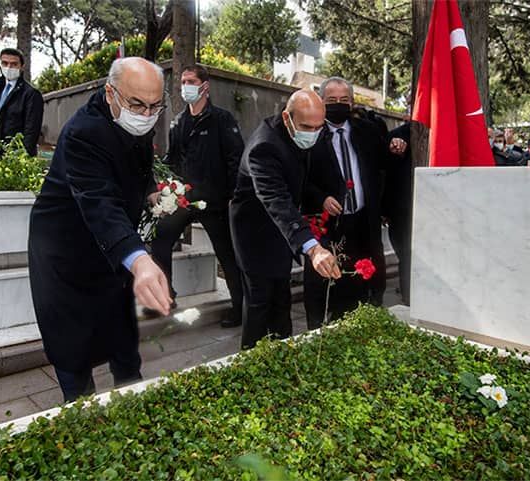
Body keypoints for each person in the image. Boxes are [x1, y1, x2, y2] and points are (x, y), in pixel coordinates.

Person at [28, 57, 171, 403]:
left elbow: (137, 162)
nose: (146, 113)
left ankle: (131, 396)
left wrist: (150, 188)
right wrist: (139, 260)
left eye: (155, 106)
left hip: (112, 249)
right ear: (110, 93)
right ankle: (81, 411)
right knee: (73, 345)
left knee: (122, 335)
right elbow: (98, 201)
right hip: (68, 248)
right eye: (137, 104)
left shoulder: (137, 116)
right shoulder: (83, 132)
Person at [230, 89, 341, 349]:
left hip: (284, 230)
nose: (313, 133)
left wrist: (322, 197)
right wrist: (313, 248)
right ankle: (250, 361)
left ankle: (283, 351)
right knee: (260, 299)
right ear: (287, 118)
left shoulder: (308, 132)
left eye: (318, 126)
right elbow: (275, 198)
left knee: (281, 295)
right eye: (306, 126)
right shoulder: (264, 147)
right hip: (255, 231)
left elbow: (302, 178)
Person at [148, 64, 244, 328]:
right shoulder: (179, 122)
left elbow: (236, 159)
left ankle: (240, 308)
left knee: (227, 254)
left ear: (205, 86)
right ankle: (166, 296)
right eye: (183, 82)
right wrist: (162, 185)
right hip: (185, 200)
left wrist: (233, 196)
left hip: (216, 202)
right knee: (160, 240)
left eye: (191, 81)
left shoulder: (222, 120)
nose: (186, 86)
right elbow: (172, 160)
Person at [302, 77, 387, 329]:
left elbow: (381, 169)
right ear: (321, 103)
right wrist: (320, 198)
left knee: (356, 281)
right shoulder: (310, 133)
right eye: (331, 101)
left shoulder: (367, 132)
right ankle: (316, 331)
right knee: (322, 284)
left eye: (344, 100)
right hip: (326, 225)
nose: (338, 105)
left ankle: (351, 326)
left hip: (361, 221)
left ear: (352, 102)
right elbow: (298, 178)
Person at [0, 48, 44, 156]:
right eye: (5, 63)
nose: (9, 67)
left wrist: (23, 157)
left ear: (21, 66)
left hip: (14, 156)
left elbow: (32, 131)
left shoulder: (31, 94)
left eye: (14, 64)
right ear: (0, 65)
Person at [383, 122, 412, 305]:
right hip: (402, 213)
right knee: (407, 257)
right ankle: (408, 299)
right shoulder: (398, 136)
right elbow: (385, 174)